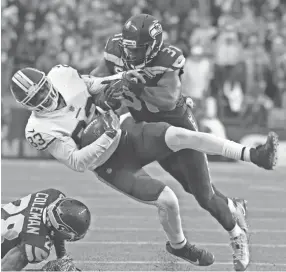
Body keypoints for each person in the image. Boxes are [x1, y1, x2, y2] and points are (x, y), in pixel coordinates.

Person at [10, 65, 278, 270]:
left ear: (47, 79)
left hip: (128, 133)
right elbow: (78, 162)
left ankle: (253, 154)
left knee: (180, 135)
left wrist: (122, 78)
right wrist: (107, 136)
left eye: (44, 89)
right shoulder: (39, 129)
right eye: (37, 99)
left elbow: (93, 85)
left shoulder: (62, 75)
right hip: (109, 163)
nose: (46, 98)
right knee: (168, 200)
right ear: (28, 106)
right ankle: (179, 246)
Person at [90, 13, 278, 271]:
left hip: (176, 124)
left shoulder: (168, 58)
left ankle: (237, 233)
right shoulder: (116, 50)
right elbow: (95, 79)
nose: (132, 54)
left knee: (203, 195)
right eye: (129, 48)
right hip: (153, 130)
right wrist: (106, 89)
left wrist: (134, 87)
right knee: (189, 188)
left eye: (139, 49)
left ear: (154, 45)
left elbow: (166, 100)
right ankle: (234, 206)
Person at [1, 188, 91, 271]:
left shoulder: (53, 195)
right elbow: (6, 268)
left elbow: (54, 228)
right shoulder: (37, 245)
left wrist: (62, 256)